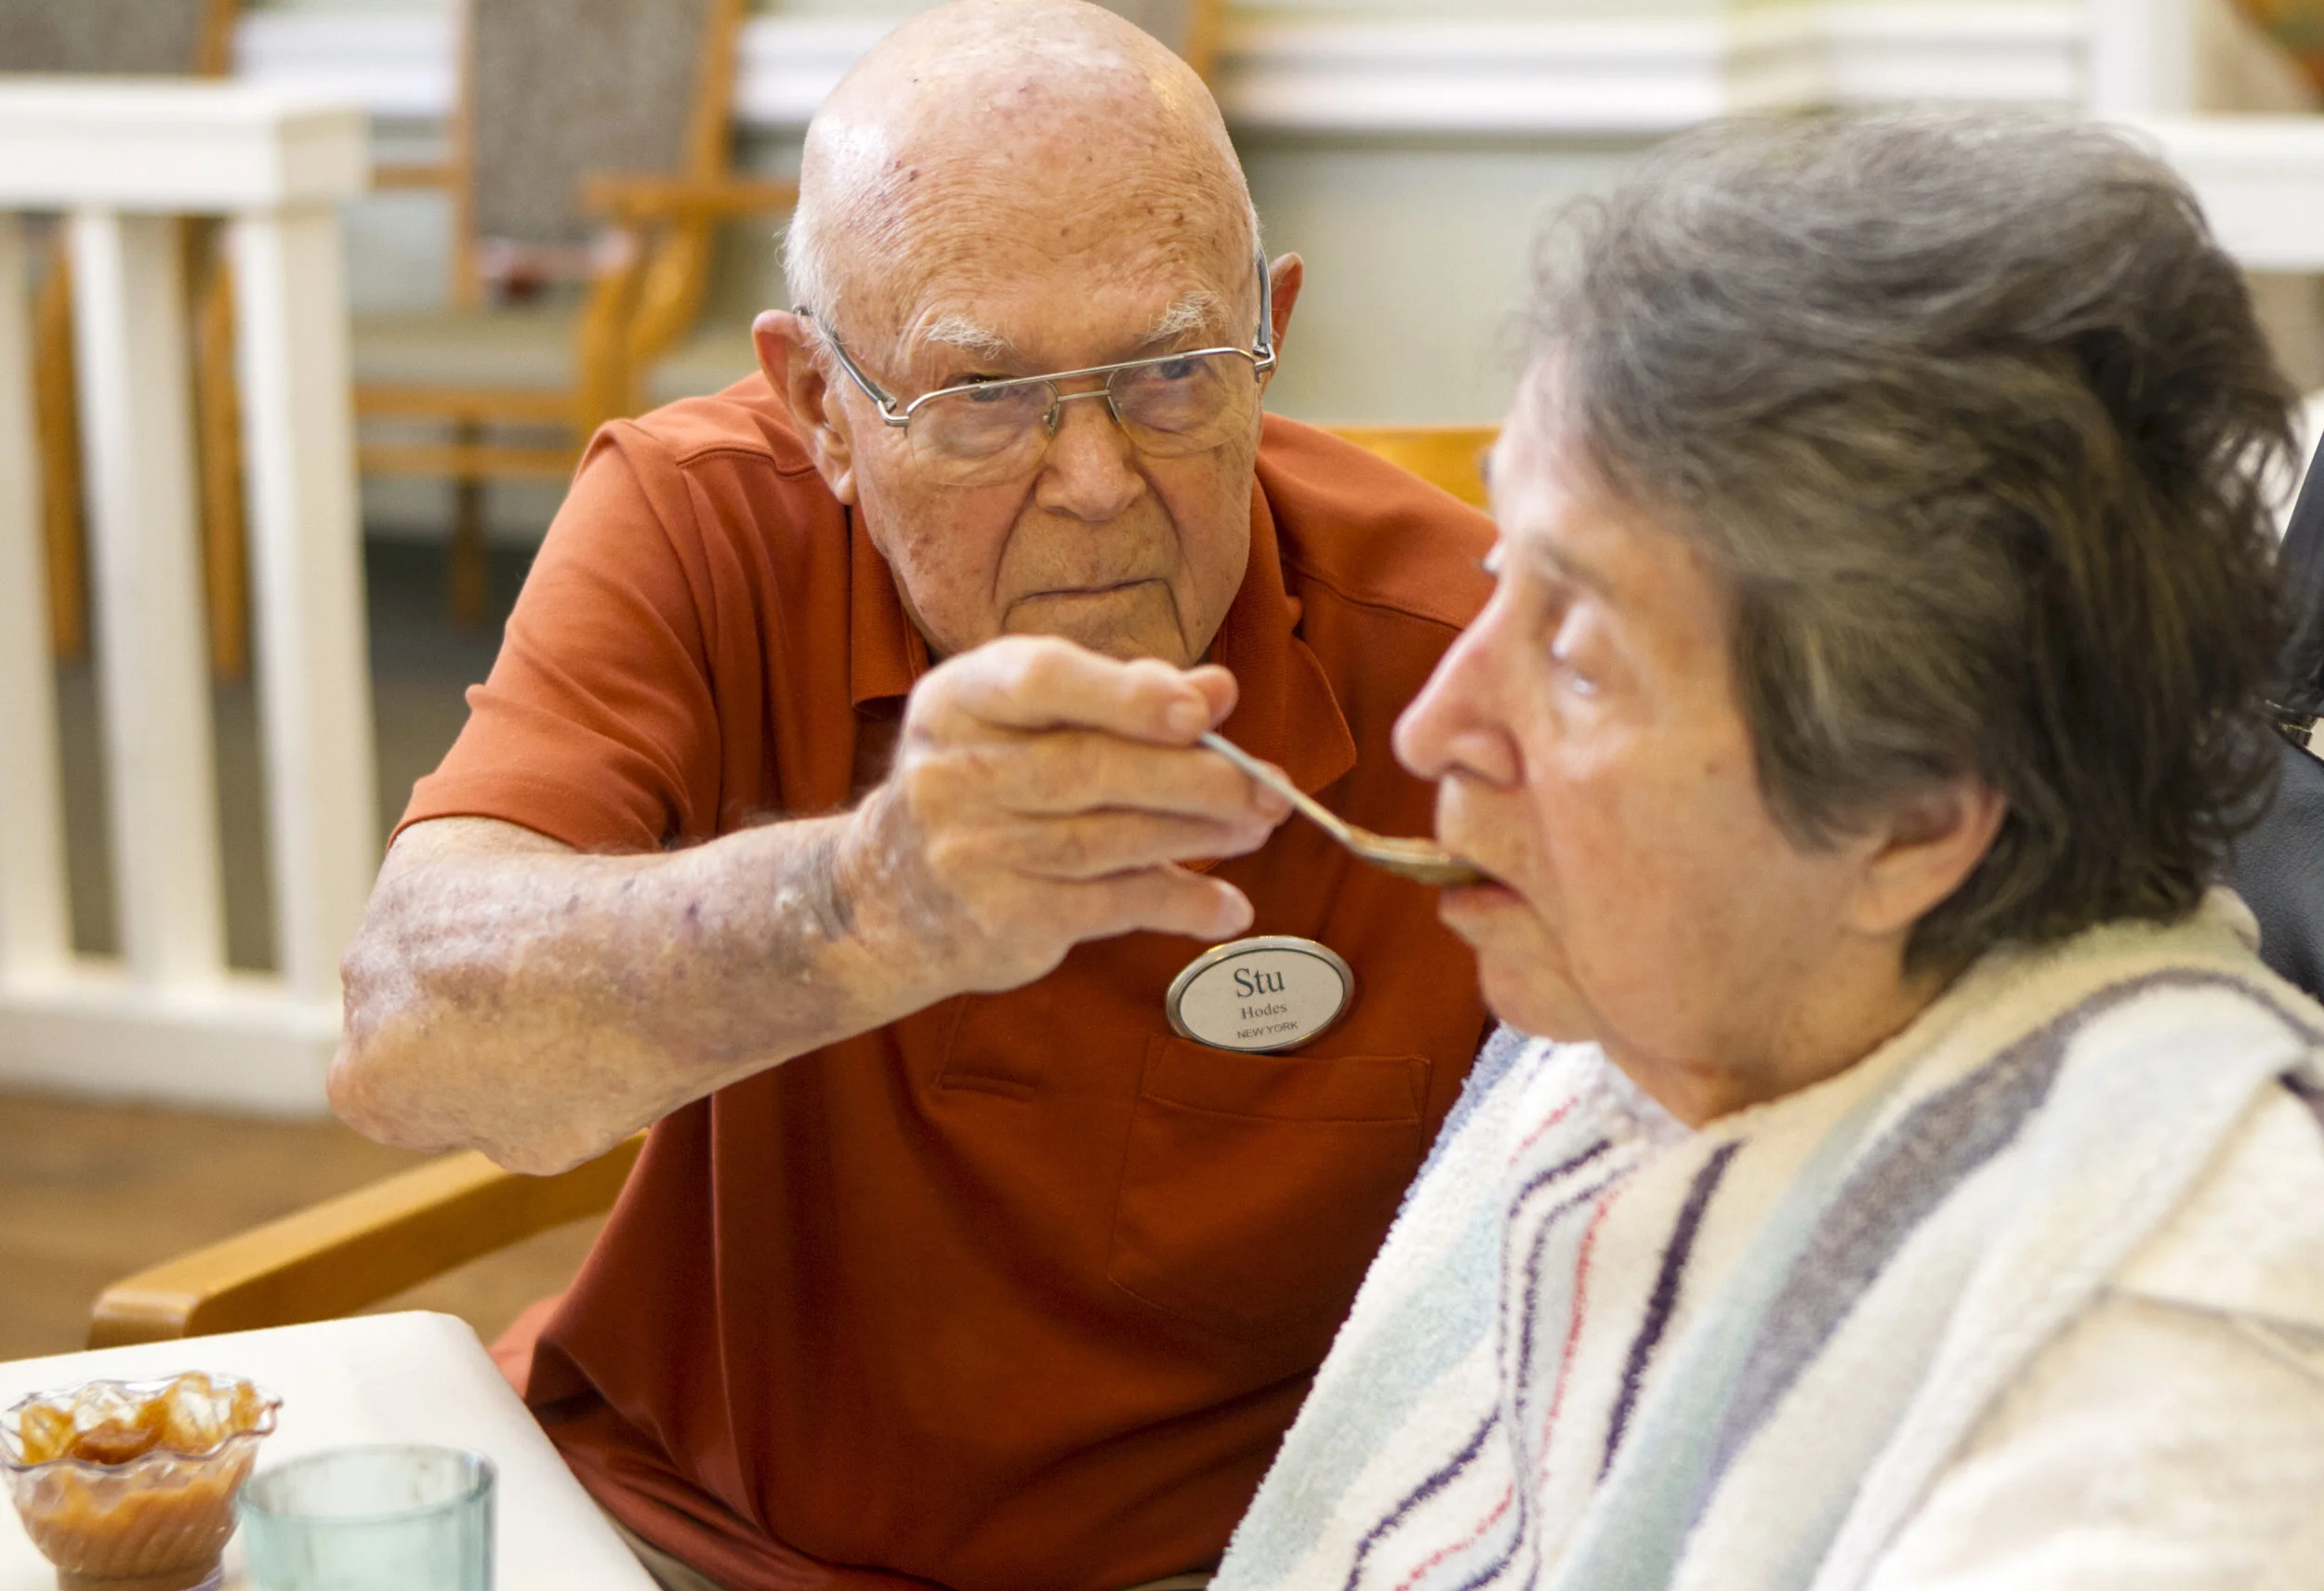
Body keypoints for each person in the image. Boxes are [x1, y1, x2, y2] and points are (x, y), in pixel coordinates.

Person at [326, 5, 1497, 1589]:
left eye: (1167, 374)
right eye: (983, 397)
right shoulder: (706, 529)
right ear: (815, 402)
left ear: (1267, 333)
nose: (1091, 483)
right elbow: (413, 1041)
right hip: (691, 1534)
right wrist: (871, 907)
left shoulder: (1470, 669)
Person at [1214, 110, 2324, 1591]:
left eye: (1586, 656)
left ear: (1915, 815)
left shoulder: (2169, 1374)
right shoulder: (1652, 1019)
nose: (1432, 730)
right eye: (1500, 579)